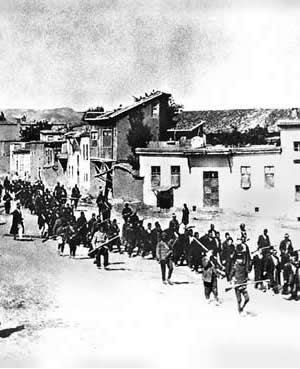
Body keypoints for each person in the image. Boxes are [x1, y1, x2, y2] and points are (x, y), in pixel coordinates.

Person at [229, 243, 250, 314]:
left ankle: (243, 307)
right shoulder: (235, 266)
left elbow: (247, 274)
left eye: (241, 259)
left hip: (243, 284)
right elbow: (230, 275)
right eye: (239, 259)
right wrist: (232, 280)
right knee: (239, 300)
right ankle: (239, 310)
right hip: (237, 284)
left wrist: (247, 279)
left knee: (247, 299)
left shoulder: (245, 266)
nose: (240, 260)